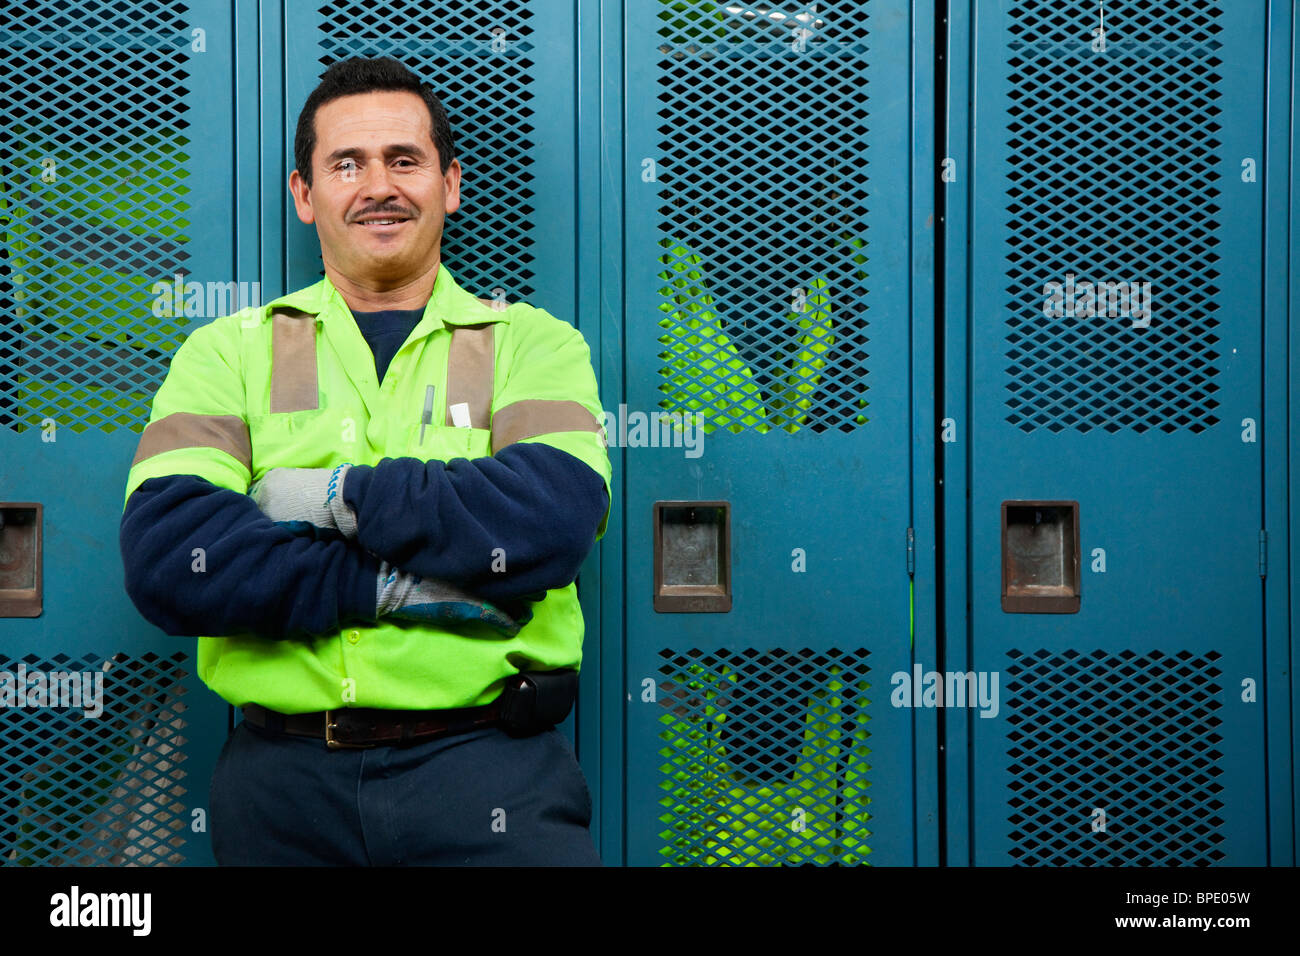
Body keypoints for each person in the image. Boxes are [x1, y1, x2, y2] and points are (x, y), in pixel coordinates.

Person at [118, 56, 611, 866]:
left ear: (450, 185)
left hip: (488, 778)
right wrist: (388, 585)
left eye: (404, 161)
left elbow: (547, 519)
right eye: (346, 164)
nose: (378, 185)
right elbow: (173, 557)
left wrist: (331, 497)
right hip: (282, 796)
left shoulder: (533, 344)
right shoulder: (226, 354)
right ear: (305, 196)